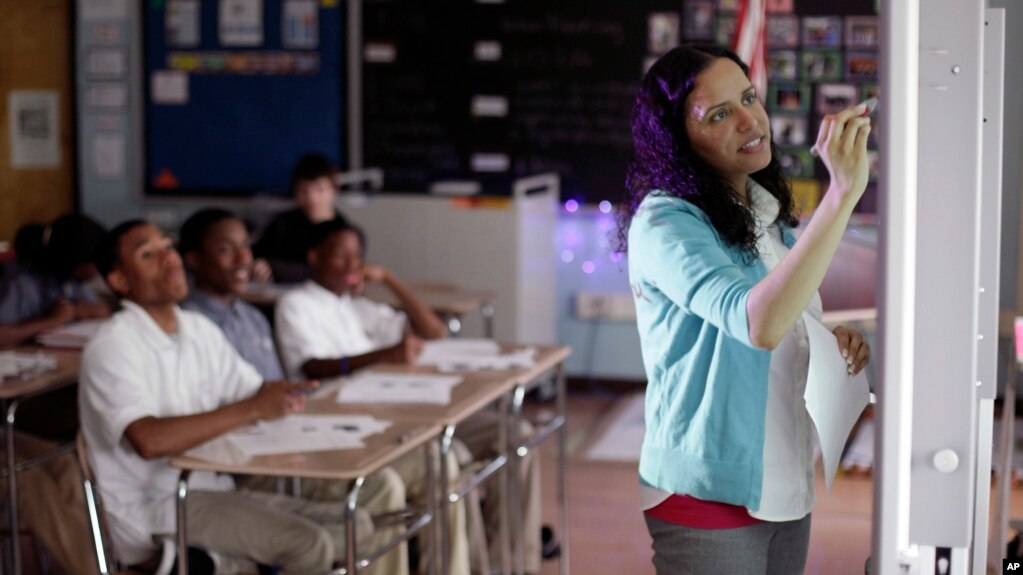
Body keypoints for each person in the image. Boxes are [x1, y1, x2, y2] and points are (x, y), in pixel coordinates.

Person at [617, 45, 871, 574]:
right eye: (719, 114)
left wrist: (826, 338)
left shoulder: (761, 208)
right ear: (677, 140)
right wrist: (842, 193)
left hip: (783, 481)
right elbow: (756, 321)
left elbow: (783, 315)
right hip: (708, 494)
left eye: (748, 98)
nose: (749, 119)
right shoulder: (665, 222)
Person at [79, 219, 373, 574]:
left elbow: (252, 390)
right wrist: (253, 408)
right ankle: (223, 563)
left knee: (357, 524)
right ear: (119, 281)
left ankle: (229, 563)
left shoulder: (197, 329)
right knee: (307, 544)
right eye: (148, 254)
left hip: (211, 484)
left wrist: (292, 394)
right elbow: (149, 439)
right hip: (159, 504)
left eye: (167, 247)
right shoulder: (113, 345)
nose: (168, 259)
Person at [275, 219, 547, 573]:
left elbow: (434, 332)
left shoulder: (355, 306)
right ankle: (472, 567)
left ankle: (515, 564)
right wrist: (384, 355)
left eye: (358, 258)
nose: (351, 266)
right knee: (451, 457)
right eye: (341, 256)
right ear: (315, 256)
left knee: (516, 436)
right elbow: (312, 367)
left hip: (405, 409)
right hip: (354, 426)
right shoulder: (296, 304)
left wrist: (389, 279)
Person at [176, 208, 409, 575]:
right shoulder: (189, 326)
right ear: (192, 259)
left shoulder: (250, 316)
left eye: (246, 247)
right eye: (226, 249)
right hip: (241, 462)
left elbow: (271, 393)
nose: (243, 259)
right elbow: (227, 409)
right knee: (377, 488)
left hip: (281, 441)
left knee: (388, 473)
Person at [0, 214, 113, 347]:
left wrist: (90, 309)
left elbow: (101, 308)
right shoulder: (21, 283)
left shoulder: (69, 280)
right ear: (77, 264)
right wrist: (52, 321)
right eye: (99, 262)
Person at [252, 153, 350, 283]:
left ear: (334, 190)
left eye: (320, 190)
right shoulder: (282, 223)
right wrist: (258, 265)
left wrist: (275, 268)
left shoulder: (344, 233)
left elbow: (336, 273)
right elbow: (255, 254)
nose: (312, 198)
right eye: (304, 190)